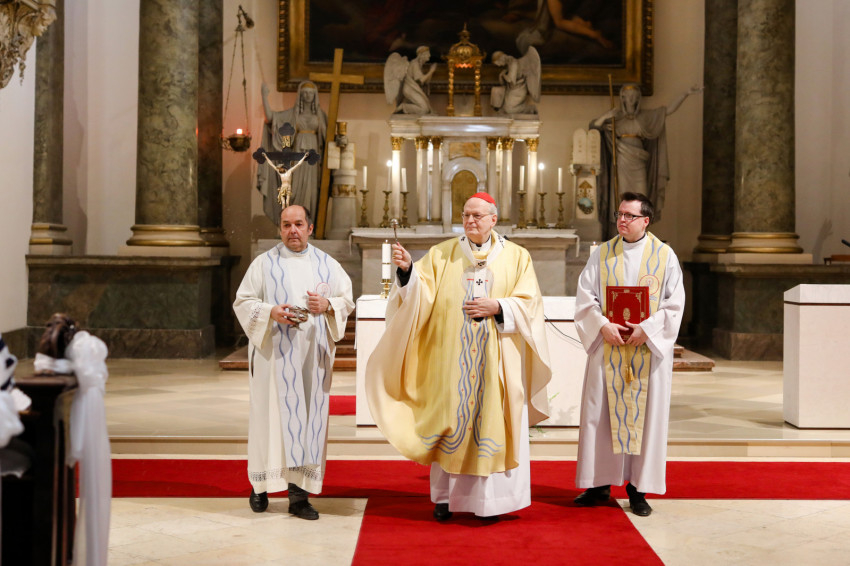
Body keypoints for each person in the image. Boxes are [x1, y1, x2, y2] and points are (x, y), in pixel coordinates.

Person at [366, 192, 552, 520]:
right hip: (450, 362)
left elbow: (530, 303)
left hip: (497, 363)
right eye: (466, 215)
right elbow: (419, 296)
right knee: (448, 422)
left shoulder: (517, 257)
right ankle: (444, 499)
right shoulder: (442, 254)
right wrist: (408, 271)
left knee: (491, 421)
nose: (469, 221)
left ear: (493, 219)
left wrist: (498, 306)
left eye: (477, 216)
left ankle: (490, 503)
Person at [233, 205, 354, 520]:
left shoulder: (328, 265)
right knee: (267, 419)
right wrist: (270, 311)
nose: (292, 231)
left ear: (310, 228)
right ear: (280, 229)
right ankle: (260, 486)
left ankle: (299, 496)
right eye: (286, 225)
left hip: (311, 359)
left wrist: (328, 304)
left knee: (308, 422)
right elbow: (243, 301)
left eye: (298, 224)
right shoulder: (264, 264)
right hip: (272, 359)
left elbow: (346, 301)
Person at [573, 192, 684, 517]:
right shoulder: (602, 254)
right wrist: (601, 324)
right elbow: (585, 297)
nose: (622, 220)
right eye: (620, 214)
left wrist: (647, 329)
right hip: (608, 347)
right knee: (600, 417)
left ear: (645, 221)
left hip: (645, 350)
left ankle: (638, 490)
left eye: (630, 216)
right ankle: (598, 486)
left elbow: (674, 303)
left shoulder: (664, 256)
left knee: (646, 419)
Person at [591, 83, 702, 237]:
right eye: (628, 96)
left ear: (638, 98)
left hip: (639, 161)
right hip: (622, 161)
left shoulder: (645, 117)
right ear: (623, 98)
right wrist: (606, 116)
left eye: (634, 96)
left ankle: (638, 233)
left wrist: (686, 93)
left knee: (640, 198)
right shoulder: (616, 117)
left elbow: (667, 111)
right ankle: (621, 233)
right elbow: (594, 128)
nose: (631, 99)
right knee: (622, 198)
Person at [258, 81, 328, 225]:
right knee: (294, 190)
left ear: (315, 95)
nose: (308, 96)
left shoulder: (321, 116)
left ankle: (308, 226)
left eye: (311, 93)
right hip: (297, 156)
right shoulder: (292, 115)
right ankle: (293, 224)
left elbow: (329, 137)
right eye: (305, 93)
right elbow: (271, 119)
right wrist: (264, 96)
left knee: (311, 192)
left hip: (314, 160)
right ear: (300, 95)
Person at [384, 46, 437, 115]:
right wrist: (431, 71)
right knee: (424, 109)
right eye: (428, 54)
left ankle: (405, 106)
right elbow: (421, 80)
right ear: (422, 55)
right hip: (410, 90)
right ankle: (403, 107)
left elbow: (425, 82)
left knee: (426, 109)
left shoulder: (419, 65)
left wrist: (431, 73)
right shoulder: (415, 64)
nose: (429, 56)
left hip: (413, 89)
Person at [490, 48, 541, 116]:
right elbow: (505, 83)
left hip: (518, 90)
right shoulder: (509, 63)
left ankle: (530, 108)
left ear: (500, 59)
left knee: (509, 109)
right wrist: (502, 76)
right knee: (505, 109)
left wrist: (503, 75)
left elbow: (511, 81)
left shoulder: (513, 63)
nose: (499, 65)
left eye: (498, 63)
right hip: (511, 90)